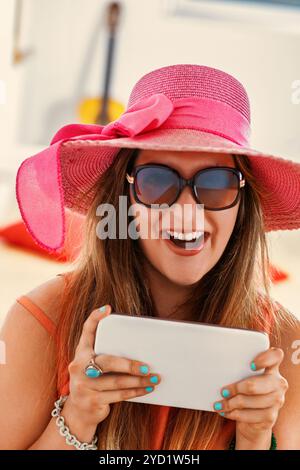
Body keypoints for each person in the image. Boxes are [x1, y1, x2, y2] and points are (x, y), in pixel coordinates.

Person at [1, 64, 300, 450]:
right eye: (158, 182)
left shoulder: (286, 348)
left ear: (243, 205)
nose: (187, 212)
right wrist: (75, 419)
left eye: (215, 184)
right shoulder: (38, 325)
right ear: (124, 200)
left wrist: (256, 439)